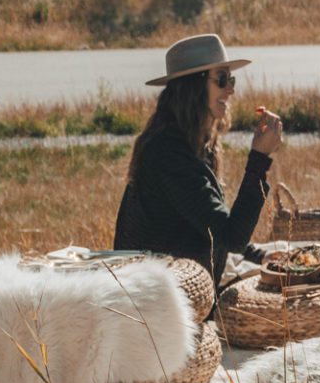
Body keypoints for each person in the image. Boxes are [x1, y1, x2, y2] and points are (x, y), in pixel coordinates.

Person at [113, 32, 283, 286]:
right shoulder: (167, 154)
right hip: (160, 298)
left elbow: (209, 223)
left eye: (231, 78)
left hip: (183, 286)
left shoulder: (193, 142)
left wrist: (257, 254)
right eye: (222, 79)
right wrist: (259, 159)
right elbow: (230, 235)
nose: (231, 89)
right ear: (193, 86)